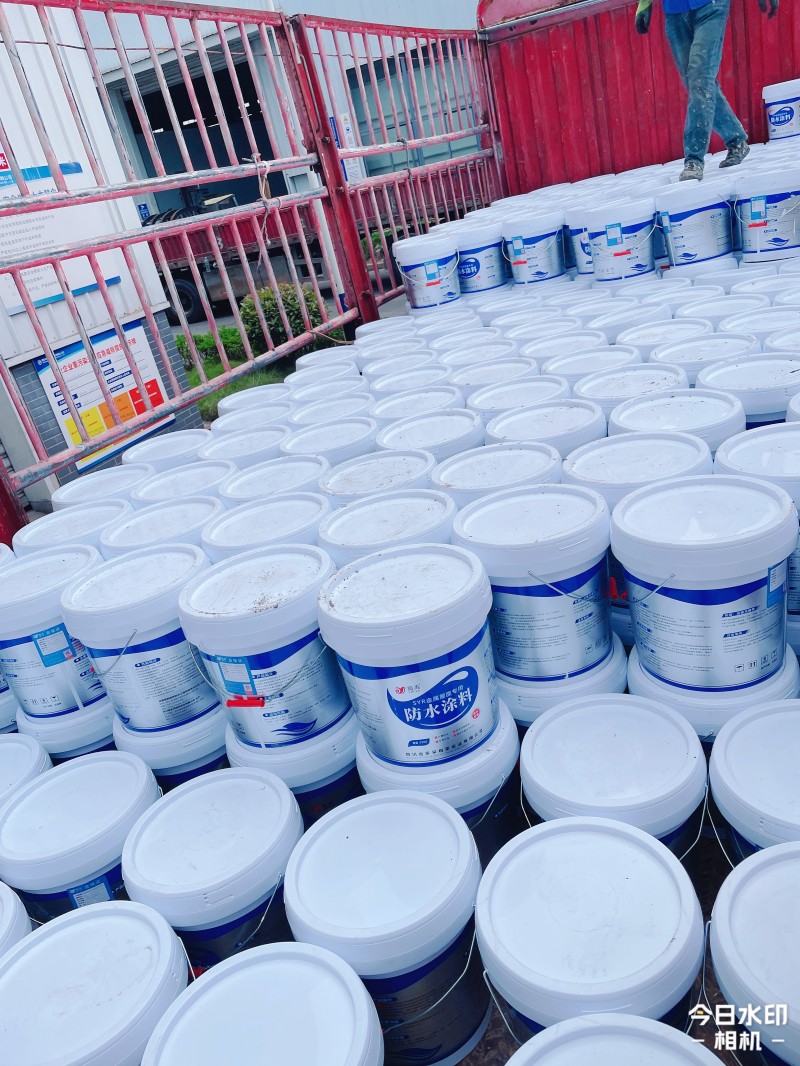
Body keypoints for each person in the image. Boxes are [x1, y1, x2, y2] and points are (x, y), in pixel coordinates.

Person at [635, 0, 779, 181]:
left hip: (711, 7)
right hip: (674, 12)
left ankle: (693, 160)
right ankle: (736, 139)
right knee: (696, 84)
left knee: (699, 79)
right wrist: (645, 4)